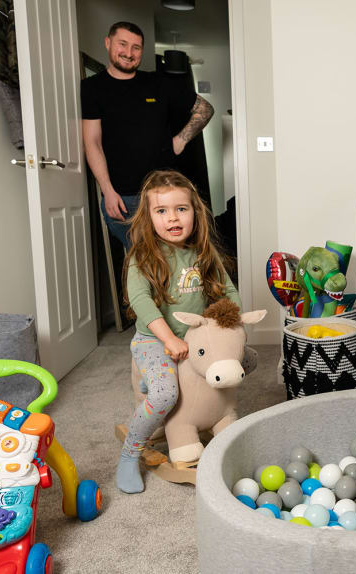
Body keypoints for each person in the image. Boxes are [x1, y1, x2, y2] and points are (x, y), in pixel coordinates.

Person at [117, 170, 239, 494]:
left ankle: (213, 417)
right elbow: (141, 302)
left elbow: (229, 292)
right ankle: (130, 453)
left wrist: (231, 326)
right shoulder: (142, 256)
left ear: (194, 213)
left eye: (181, 209)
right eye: (161, 211)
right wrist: (169, 339)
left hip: (194, 339)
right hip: (154, 340)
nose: (172, 217)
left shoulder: (203, 252)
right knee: (164, 394)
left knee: (245, 362)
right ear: (149, 217)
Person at [81, 21, 214, 251]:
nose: (129, 53)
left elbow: (205, 109)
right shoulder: (92, 88)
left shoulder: (158, 84)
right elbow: (92, 143)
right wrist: (108, 191)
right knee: (141, 260)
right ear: (108, 43)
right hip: (123, 198)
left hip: (165, 195)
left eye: (136, 47)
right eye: (123, 44)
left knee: (172, 258)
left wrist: (180, 140)